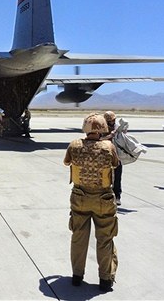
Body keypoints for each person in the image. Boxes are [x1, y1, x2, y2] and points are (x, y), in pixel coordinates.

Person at [63, 113, 119, 292]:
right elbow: (115, 164)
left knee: (79, 237)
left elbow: (67, 162)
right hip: (103, 199)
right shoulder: (108, 146)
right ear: (103, 128)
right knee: (104, 238)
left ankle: (77, 276)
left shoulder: (74, 145)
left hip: (79, 197)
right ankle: (105, 279)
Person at [101, 111, 123, 205]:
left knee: (117, 177)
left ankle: (117, 196)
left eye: (113, 120)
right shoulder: (101, 128)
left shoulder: (117, 127)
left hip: (116, 155)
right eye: (111, 120)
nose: (113, 122)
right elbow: (98, 139)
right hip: (105, 155)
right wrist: (109, 136)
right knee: (105, 177)